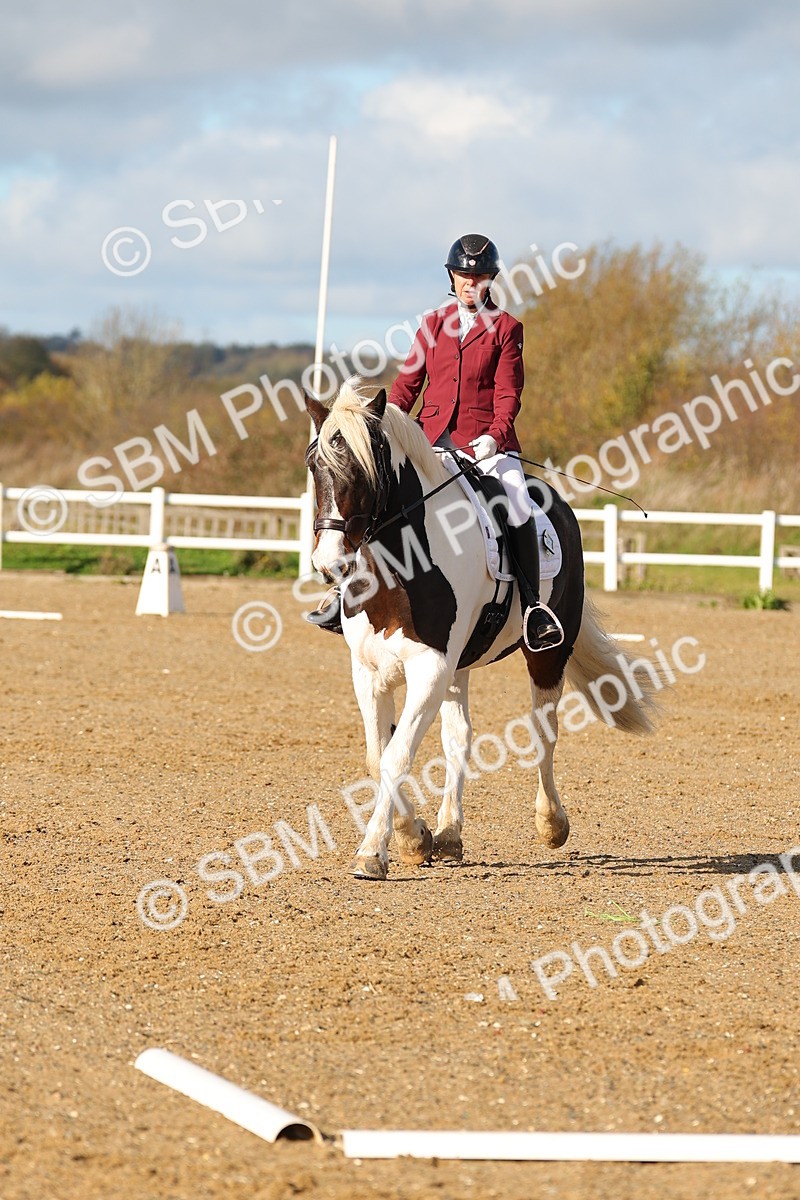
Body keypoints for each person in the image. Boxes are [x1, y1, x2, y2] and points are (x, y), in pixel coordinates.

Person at [307, 233, 564, 653]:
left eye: (479, 276)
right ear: (452, 276)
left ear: (491, 280)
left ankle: (534, 609)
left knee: (517, 502)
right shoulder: (431, 325)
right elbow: (407, 386)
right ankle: (345, 596)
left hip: (485, 445)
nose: (470, 283)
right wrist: (381, 425)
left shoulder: (507, 328)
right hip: (428, 441)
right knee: (378, 498)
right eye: (463, 275)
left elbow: (508, 394)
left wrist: (495, 438)